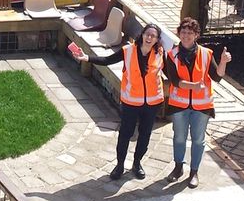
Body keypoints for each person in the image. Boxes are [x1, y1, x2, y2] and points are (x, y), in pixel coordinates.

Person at [71, 23, 166, 180]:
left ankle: (137, 163)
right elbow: (107, 60)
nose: (149, 38)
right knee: (125, 133)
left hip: (152, 102)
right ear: (142, 35)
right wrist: (86, 57)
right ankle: (120, 164)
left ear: (157, 39)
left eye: (153, 36)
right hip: (131, 101)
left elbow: (170, 72)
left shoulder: (161, 53)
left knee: (145, 135)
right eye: (147, 34)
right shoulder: (128, 51)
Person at [164, 17, 230, 189]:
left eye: (190, 33)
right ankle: (178, 167)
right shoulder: (172, 55)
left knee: (198, 140)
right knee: (179, 137)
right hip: (179, 105)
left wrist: (223, 61)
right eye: (183, 32)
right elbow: (175, 80)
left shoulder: (207, 54)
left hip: (202, 106)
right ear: (179, 33)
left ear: (196, 35)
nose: (186, 36)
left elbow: (217, 77)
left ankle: (194, 172)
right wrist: (193, 86)